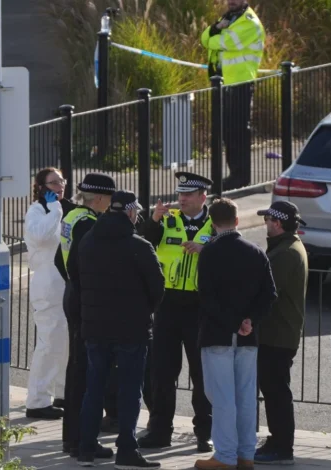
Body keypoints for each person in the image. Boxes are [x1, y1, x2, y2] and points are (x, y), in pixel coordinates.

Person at [69, 190, 164, 469]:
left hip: (95, 327)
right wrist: (144, 309)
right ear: (131, 213)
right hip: (131, 329)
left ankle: (86, 447)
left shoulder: (88, 240)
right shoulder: (139, 245)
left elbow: (75, 275)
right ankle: (126, 450)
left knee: (94, 387)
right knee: (129, 390)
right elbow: (157, 290)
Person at [194, 198, 277, 470]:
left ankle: (225, 456)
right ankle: (246, 455)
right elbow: (269, 294)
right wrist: (249, 321)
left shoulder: (210, 252)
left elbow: (206, 297)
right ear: (237, 220)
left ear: (212, 222)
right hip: (248, 337)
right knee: (244, 397)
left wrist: (232, 322)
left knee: (222, 398)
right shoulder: (256, 252)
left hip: (218, 332)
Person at [139, 171, 214, 453]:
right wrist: (154, 220)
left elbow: (230, 252)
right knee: (162, 372)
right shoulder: (168, 219)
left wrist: (205, 248)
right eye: (179, 194)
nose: (180, 199)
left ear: (202, 196)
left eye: (187, 195)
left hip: (199, 306)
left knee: (202, 374)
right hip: (168, 304)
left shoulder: (214, 223)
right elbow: (145, 245)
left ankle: (204, 433)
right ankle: (159, 431)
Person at [57, 172, 118, 458]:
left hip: (75, 293)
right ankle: (82, 440)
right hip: (87, 300)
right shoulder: (90, 224)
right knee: (86, 370)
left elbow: (60, 259)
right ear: (101, 198)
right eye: (110, 198)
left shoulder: (72, 218)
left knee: (77, 368)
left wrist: (72, 281)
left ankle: (73, 438)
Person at [254, 201, 308, 465]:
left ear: (277, 223)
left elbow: (267, 292)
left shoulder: (286, 253)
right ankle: (277, 440)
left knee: (276, 392)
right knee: (274, 389)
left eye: (268, 220)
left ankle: (282, 445)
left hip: (278, 335)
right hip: (277, 333)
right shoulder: (285, 248)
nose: (265, 224)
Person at [23, 168, 73, 420]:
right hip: (47, 281)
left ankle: (61, 392)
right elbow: (40, 237)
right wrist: (54, 210)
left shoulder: (66, 208)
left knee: (65, 340)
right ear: (41, 186)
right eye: (53, 183)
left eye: (61, 182)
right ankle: (37, 400)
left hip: (64, 281)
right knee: (49, 341)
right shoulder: (38, 210)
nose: (59, 186)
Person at [201, 0, 265, 190]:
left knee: (238, 132)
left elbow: (223, 43)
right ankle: (233, 176)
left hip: (241, 83)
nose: (231, 1)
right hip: (224, 83)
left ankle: (240, 177)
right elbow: (204, 38)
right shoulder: (228, 17)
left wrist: (216, 34)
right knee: (227, 132)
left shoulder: (249, 22)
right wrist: (215, 28)